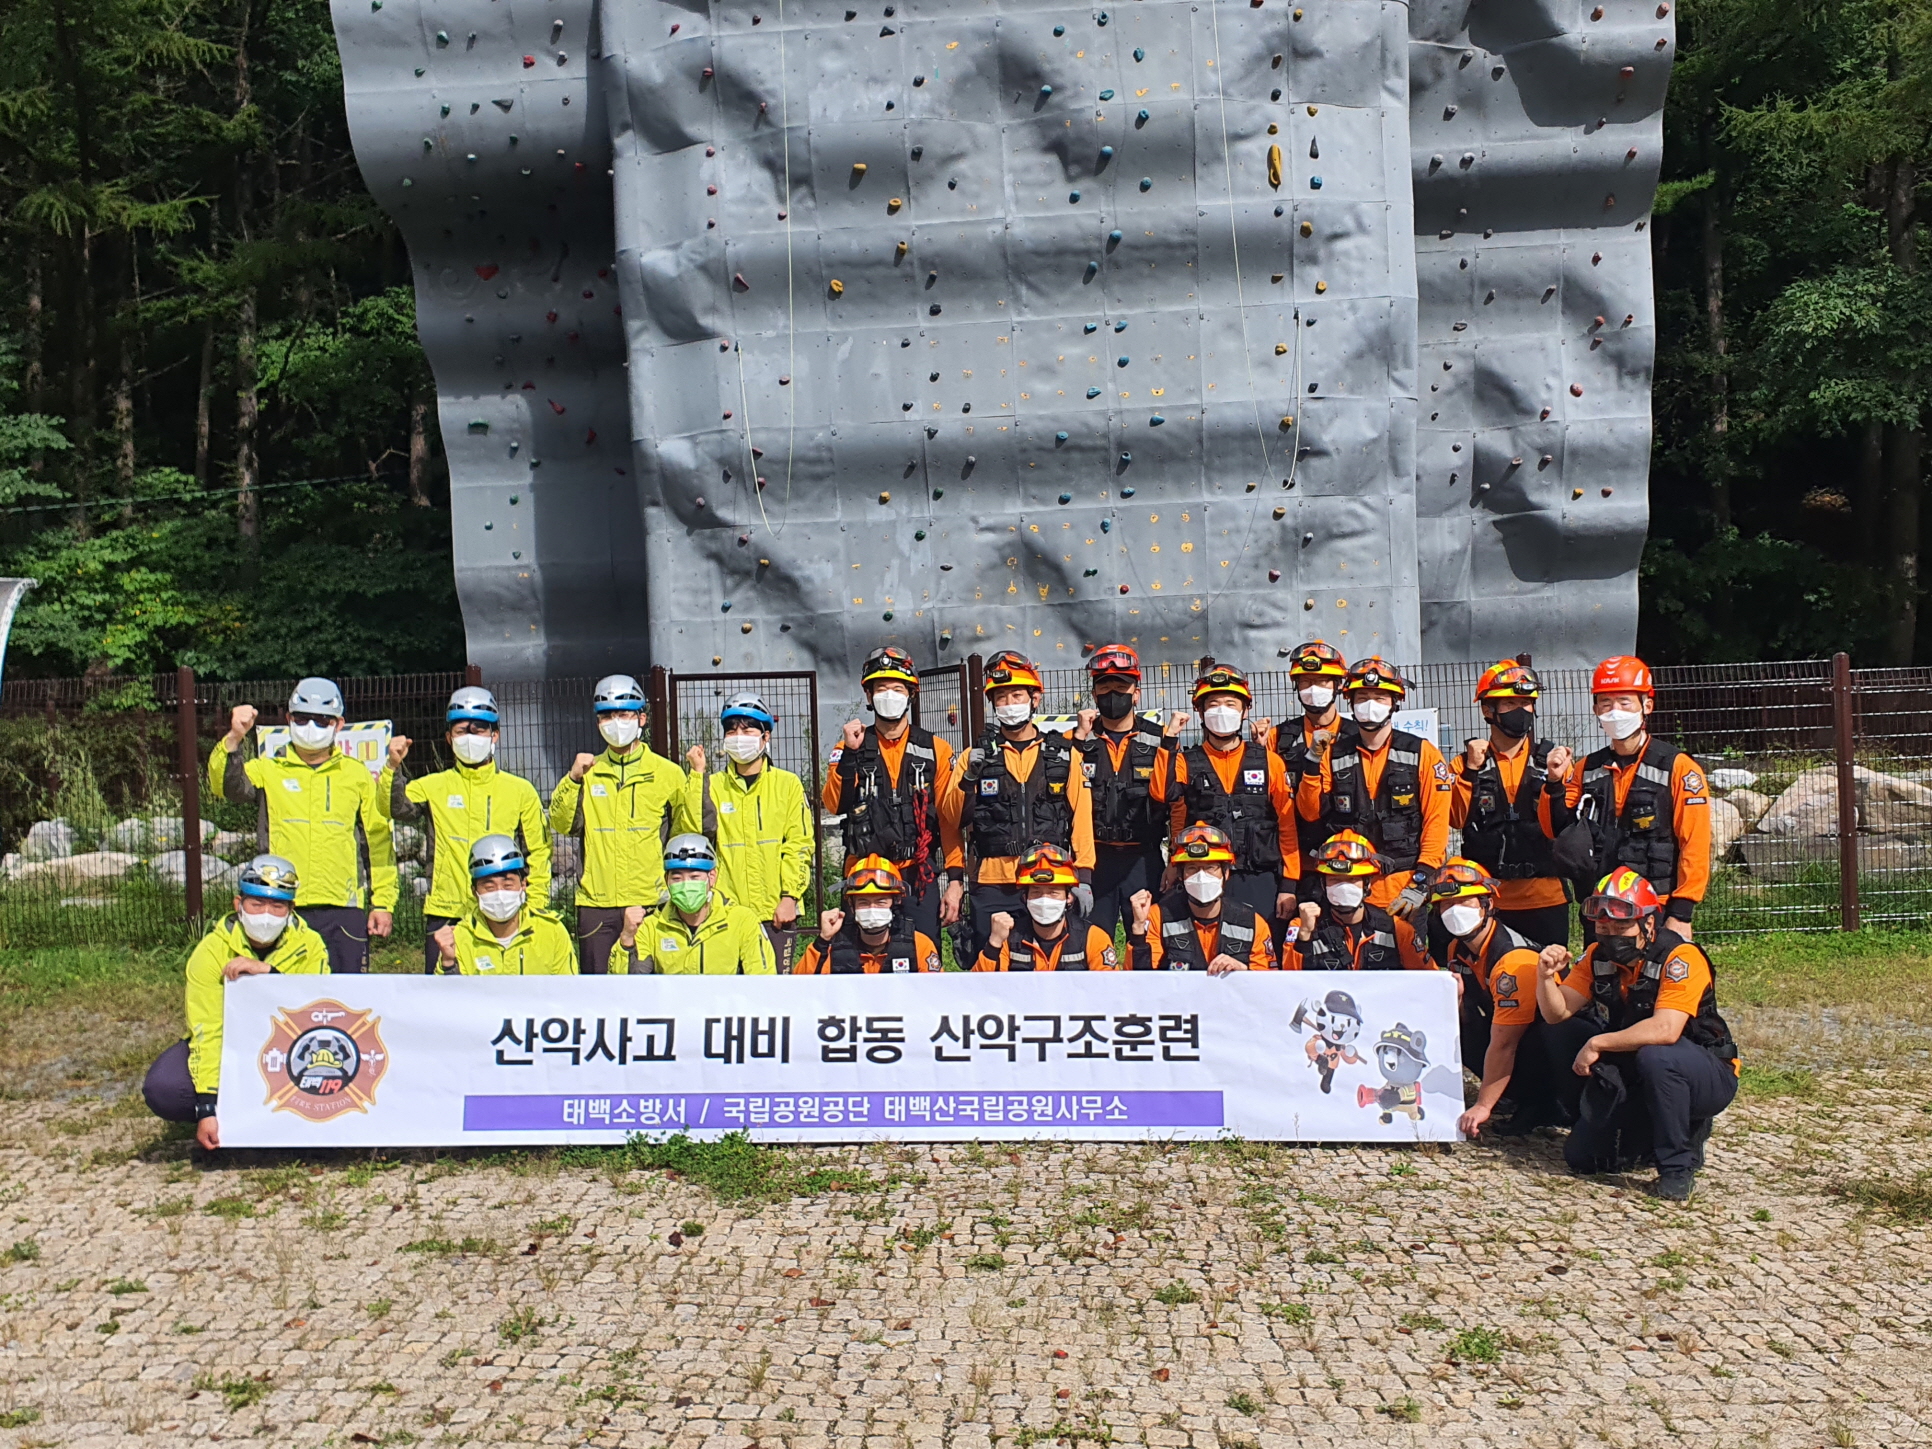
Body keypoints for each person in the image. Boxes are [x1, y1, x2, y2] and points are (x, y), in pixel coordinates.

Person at [1534, 869, 1739, 1200]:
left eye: (1621, 928)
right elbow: (1556, 1013)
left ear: (1648, 923)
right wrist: (1545, 977)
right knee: (1583, 1158)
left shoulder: (1680, 957)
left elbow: (1666, 1030)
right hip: (1636, 1066)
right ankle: (1624, 1128)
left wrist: (1597, 1043)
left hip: (1703, 1071)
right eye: (1603, 928)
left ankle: (1678, 1165)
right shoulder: (1596, 956)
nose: (1612, 936)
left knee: (1657, 1055)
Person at [207, 677, 397, 974]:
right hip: (281, 903)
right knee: (282, 991)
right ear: (288, 719)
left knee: (345, 995)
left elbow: (379, 841)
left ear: (338, 724)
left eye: (322, 720)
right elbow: (224, 787)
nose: (311, 726)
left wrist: (383, 903)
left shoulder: (356, 775)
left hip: (343, 908)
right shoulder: (269, 768)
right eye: (302, 718)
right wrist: (233, 738)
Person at [141, 855, 330, 1150]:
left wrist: (271, 975)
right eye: (257, 904)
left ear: (291, 909)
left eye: (277, 906)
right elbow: (208, 1029)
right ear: (238, 904)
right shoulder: (210, 952)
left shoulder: (311, 945)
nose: (266, 915)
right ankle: (225, 1120)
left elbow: (318, 1010)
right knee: (165, 1088)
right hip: (232, 1045)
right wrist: (206, 1106)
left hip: (292, 1050)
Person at [381, 685, 552, 974]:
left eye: (479, 729)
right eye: (461, 731)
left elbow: (538, 851)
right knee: (442, 992)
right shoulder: (432, 785)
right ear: (449, 738)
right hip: (445, 911)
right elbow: (392, 807)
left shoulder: (520, 790)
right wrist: (392, 768)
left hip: (502, 911)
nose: (470, 737)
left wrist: (534, 905)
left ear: (494, 735)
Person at [1541, 655, 1710, 943]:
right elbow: (1557, 830)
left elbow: (1694, 843)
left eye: (1624, 702)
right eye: (1606, 703)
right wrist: (1554, 784)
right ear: (1595, 710)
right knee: (1599, 972)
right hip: (1601, 907)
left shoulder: (1678, 767)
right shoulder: (1586, 768)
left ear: (1647, 706)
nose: (1615, 712)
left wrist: (1682, 913)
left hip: (1655, 907)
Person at [941, 651, 1096, 954]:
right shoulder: (974, 756)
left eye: (1016, 695)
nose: (1009, 703)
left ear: (1034, 699)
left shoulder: (1063, 755)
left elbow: (1082, 819)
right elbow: (952, 817)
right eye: (1001, 697)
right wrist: (969, 778)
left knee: (1047, 962)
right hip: (991, 883)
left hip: (1047, 880)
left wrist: (1085, 876)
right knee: (991, 963)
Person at [1148, 662, 1298, 949]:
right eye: (1213, 704)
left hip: (1260, 877)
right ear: (1200, 711)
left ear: (1245, 710)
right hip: (1205, 875)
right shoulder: (1185, 760)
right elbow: (1162, 795)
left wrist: (1288, 885)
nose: (1221, 711)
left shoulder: (1269, 761)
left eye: (1230, 704)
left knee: (1261, 951)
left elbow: (1287, 826)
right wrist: (1169, 741)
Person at [1294, 657, 1449, 922]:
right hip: (1347, 890)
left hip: (1404, 890)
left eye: (1380, 698)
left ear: (1395, 703)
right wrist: (1311, 763)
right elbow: (1309, 812)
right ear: (1351, 702)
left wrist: (1421, 881)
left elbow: (1436, 823)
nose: (1370, 705)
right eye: (1362, 698)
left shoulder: (1423, 753)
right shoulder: (1332, 753)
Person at [550, 674, 687, 973]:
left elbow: (682, 834)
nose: (615, 722)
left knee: (650, 987)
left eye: (623, 714)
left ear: (642, 718)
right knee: (599, 991)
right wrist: (572, 779)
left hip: (650, 902)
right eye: (607, 716)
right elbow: (561, 823)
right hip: (596, 904)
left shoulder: (669, 774)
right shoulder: (588, 772)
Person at [824, 647, 960, 948]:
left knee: (923, 956)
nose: (889, 695)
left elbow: (948, 822)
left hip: (918, 876)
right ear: (869, 695)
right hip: (865, 877)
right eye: (881, 688)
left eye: (897, 689)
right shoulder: (850, 746)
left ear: (911, 694)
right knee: (861, 961)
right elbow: (834, 804)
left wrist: (955, 881)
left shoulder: (936, 749)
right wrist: (849, 755)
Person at [678, 691, 813, 965]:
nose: (739, 736)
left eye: (748, 729)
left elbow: (799, 845)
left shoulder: (787, 785)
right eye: (732, 731)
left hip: (775, 913)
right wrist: (697, 776)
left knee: (774, 988)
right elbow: (694, 832)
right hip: (725, 914)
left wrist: (790, 897)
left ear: (766, 736)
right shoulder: (714, 785)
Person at [1428, 859, 1556, 1139]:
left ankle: (1541, 1103)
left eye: (1464, 902)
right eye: (1446, 904)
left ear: (1487, 904)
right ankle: (1512, 1094)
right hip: (1509, 1027)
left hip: (1553, 1045)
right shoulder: (1456, 948)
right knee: (1460, 1026)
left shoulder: (1512, 960)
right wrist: (1457, 1003)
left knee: (1517, 1039)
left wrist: (1482, 1105)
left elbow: (1505, 1044)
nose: (1454, 911)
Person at [1450, 661, 1571, 949]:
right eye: (1510, 703)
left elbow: (1567, 825)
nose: (1521, 710)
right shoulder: (1464, 764)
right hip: (1487, 899)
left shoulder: (1554, 762)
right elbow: (1455, 818)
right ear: (1487, 710)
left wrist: (1556, 780)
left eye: (1526, 703)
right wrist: (1470, 772)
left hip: (1546, 899)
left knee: (1549, 973)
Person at [1074, 644, 1171, 937]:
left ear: (1136, 693)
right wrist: (1077, 740)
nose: (1112, 694)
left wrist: (1175, 861)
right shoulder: (1077, 740)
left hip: (1144, 860)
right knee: (1090, 941)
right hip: (1095, 861)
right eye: (1104, 688)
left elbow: (1177, 804)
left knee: (1149, 940)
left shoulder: (1160, 740)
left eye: (1121, 687)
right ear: (1094, 695)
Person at [609, 833, 778, 974]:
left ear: (712, 877)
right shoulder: (651, 926)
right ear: (667, 880)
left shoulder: (742, 921)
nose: (685, 884)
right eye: (677, 878)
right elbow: (627, 988)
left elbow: (763, 980)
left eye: (694, 877)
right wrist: (627, 938)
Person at [1262, 639, 1359, 877]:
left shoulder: (1358, 736)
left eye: (1321, 681)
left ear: (1337, 685)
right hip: (1296, 859)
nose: (1313, 688)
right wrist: (1256, 751)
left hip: (1351, 861)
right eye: (1305, 681)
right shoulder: (1278, 737)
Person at [1125, 823, 1276, 972]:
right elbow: (1140, 980)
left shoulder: (1252, 923)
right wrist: (1138, 929)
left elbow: (1268, 981)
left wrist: (1243, 972)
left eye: (1210, 867)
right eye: (1192, 868)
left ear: (1226, 873)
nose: (1201, 876)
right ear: (1181, 875)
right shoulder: (1158, 917)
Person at [1282, 830, 1429, 971]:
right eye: (1335, 880)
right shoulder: (1301, 926)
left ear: (1367, 884)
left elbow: (1428, 977)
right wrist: (1304, 935)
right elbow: (1288, 980)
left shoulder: (1397, 929)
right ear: (1323, 884)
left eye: (1352, 880)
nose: (1343, 887)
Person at [432, 834, 578, 975]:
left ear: (523, 884)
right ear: (474, 891)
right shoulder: (461, 937)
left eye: (507, 885)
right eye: (489, 887)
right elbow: (448, 991)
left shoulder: (552, 932)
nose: (500, 894)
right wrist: (448, 963)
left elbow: (567, 988)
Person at [973, 842, 1120, 971]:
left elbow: (1110, 988)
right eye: (1036, 892)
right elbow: (982, 988)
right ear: (1025, 898)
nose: (1044, 899)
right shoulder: (1008, 938)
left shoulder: (1093, 938)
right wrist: (994, 944)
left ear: (1069, 897)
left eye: (1053, 892)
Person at [794, 854, 944, 974]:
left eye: (881, 901)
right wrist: (823, 940)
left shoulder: (919, 945)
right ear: (852, 906)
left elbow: (936, 993)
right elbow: (800, 988)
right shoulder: (832, 947)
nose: (872, 908)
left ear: (896, 902)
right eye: (863, 902)